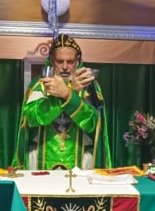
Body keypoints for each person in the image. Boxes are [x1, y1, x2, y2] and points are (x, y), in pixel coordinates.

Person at [13, 34, 112, 170]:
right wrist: (70, 93)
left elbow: (92, 124)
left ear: (77, 61)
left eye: (70, 61)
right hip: (40, 160)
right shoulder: (39, 84)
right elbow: (32, 118)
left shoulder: (89, 86)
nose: (65, 67)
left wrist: (68, 94)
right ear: (52, 60)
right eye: (60, 61)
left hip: (81, 161)